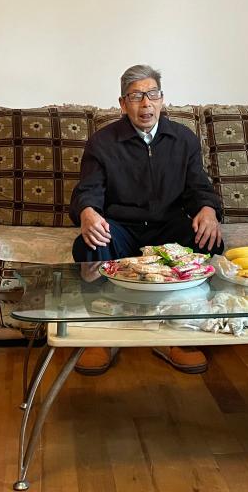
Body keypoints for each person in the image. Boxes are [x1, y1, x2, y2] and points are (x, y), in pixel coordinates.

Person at [70, 64, 223, 375]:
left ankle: (179, 333)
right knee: (92, 243)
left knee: (208, 240)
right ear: (122, 103)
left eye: (152, 94)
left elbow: (198, 188)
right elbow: (88, 191)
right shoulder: (102, 142)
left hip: (169, 226)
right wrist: (87, 212)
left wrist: (208, 209)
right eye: (136, 96)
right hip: (122, 227)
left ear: (162, 99)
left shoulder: (183, 139)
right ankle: (101, 335)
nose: (145, 103)